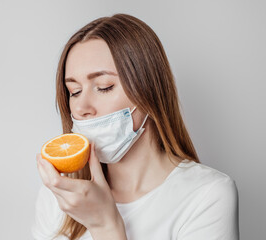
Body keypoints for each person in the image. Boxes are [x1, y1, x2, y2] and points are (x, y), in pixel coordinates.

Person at [32, 13, 239, 240]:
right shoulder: (61, 198)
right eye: (74, 92)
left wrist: (106, 226)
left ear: (147, 90)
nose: (82, 107)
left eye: (104, 87)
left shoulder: (206, 195)